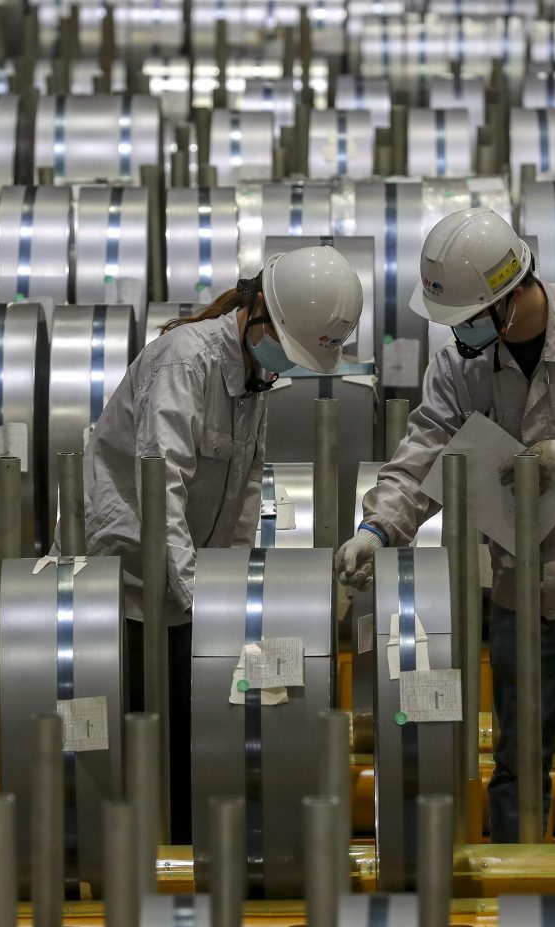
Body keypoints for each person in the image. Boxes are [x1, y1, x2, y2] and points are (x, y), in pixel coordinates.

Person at [337, 208, 555, 842]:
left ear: (509, 296)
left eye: (469, 317)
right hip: (522, 584)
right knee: (518, 760)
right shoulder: (460, 364)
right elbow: (425, 453)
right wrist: (377, 528)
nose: (460, 332)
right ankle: (516, 879)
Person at [85, 245, 363, 843]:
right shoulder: (184, 363)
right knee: (149, 748)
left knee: (198, 742)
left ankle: (195, 859)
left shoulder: (254, 378)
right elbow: (161, 493)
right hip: (131, 591)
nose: (283, 367)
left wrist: (235, 596)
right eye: (286, 349)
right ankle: (151, 866)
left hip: (188, 591)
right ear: (258, 312)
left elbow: (244, 495)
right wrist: (207, 605)